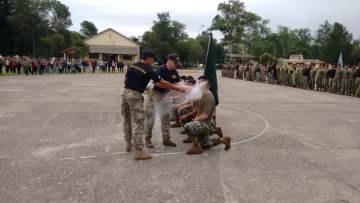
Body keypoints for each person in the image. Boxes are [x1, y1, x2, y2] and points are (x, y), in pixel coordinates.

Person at [122, 50, 185, 161]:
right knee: (139, 122)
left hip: (126, 93)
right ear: (149, 58)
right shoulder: (151, 69)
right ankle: (139, 151)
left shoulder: (132, 66)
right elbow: (162, 83)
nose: (153, 61)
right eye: (153, 59)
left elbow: (125, 80)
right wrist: (178, 89)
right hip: (141, 95)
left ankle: (128, 143)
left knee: (127, 119)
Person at [144, 54, 182, 148]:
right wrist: (173, 87)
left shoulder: (174, 72)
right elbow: (159, 84)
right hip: (155, 95)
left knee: (166, 118)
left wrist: (186, 87)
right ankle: (147, 139)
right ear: (169, 60)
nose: (175, 65)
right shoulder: (161, 69)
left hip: (166, 96)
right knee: (150, 119)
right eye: (174, 62)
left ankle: (166, 138)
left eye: (177, 63)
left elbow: (178, 82)